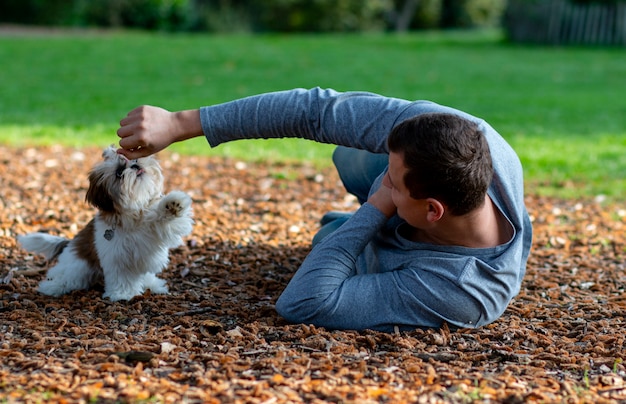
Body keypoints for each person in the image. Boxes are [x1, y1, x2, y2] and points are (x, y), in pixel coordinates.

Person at [117, 87, 532, 332]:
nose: (385, 179)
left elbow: (304, 303)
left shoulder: (462, 292)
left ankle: (345, 228)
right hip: (407, 207)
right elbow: (316, 111)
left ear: (434, 211)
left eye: (393, 180)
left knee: (330, 244)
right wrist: (180, 123)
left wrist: (372, 210)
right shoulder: (452, 132)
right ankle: (360, 210)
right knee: (350, 155)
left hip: (403, 255)